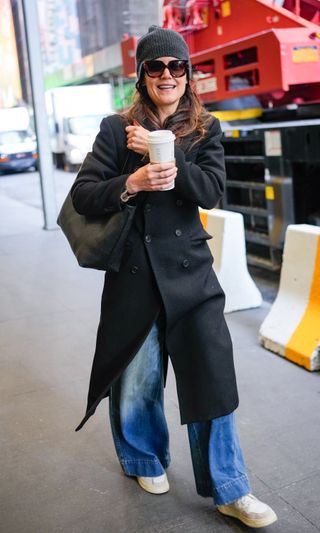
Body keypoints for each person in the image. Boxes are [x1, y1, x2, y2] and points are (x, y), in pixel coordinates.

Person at [71, 25, 277, 529]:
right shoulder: (115, 129)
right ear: (142, 76)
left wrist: (167, 153)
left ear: (188, 75)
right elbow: (84, 195)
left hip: (191, 275)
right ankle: (144, 459)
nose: (167, 75)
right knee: (138, 380)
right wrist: (132, 180)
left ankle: (231, 489)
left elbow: (209, 191)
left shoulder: (207, 130)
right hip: (135, 277)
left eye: (177, 66)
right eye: (156, 67)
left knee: (212, 376)